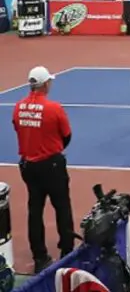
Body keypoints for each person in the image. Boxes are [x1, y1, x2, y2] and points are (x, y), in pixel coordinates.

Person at [12, 66, 75, 273]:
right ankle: (67, 251)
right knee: (62, 207)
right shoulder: (54, 108)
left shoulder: (18, 107)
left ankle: (39, 256)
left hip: (28, 166)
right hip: (52, 165)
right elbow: (66, 135)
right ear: (45, 84)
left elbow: (17, 128)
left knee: (35, 210)